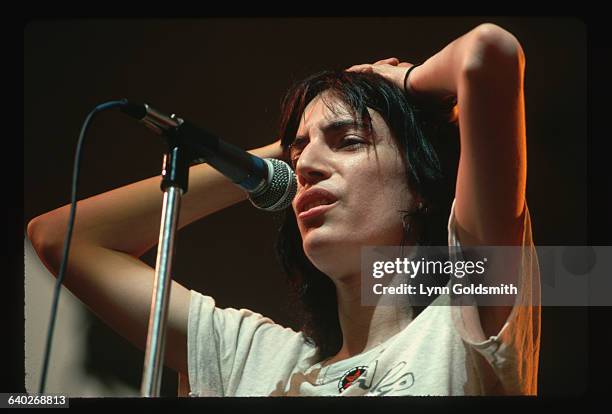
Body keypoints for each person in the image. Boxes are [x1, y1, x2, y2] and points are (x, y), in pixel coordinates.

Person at [27, 23, 540, 396]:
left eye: (349, 141)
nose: (309, 165)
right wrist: (270, 159)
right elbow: (62, 237)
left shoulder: (470, 312)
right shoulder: (251, 357)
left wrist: (401, 89)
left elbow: (489, 54)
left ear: (421, 187)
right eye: (299, 153)